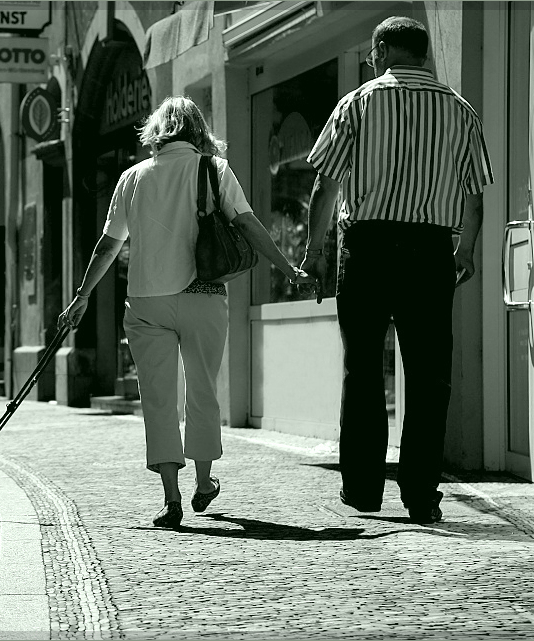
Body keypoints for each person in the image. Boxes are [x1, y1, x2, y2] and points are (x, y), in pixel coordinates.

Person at [59, 96, 313, 528]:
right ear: (198, 130)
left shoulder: (132, 178)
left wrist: (83, 295)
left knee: (158, 399)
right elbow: (249, 224)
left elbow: (108, 245)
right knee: (202, 389)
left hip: (146, 301)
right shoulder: (213, 170)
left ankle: (171, 499)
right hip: (202, 295)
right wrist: (288, 268)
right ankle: (203, 482)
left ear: (156, 132)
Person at [301, 16, 494, 524]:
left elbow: (325, 185)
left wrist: (314, 251)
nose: (370, 60)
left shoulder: (358, 103)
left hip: (366, 247)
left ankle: (364, 491)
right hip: (431, 249)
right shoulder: (461, 111)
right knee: (431, 376)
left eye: (371, 52)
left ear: (384, 50)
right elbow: (475, 198)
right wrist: (466, 251)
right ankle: (420, 495)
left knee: (362, 368)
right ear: (424, 54)